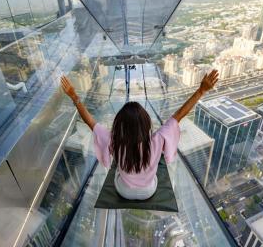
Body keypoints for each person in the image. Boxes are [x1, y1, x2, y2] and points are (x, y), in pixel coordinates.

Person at [61, 69, 218, 200]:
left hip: (123, 191)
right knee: (152, 174)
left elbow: (90, 122)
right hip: (148, 191)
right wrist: (201, 90)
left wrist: (74, 96)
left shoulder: (113, 141)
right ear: (145, 124)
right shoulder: (157, 140)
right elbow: (180, 114)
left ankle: (126, 177)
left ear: (120, 125)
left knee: (117, 172)